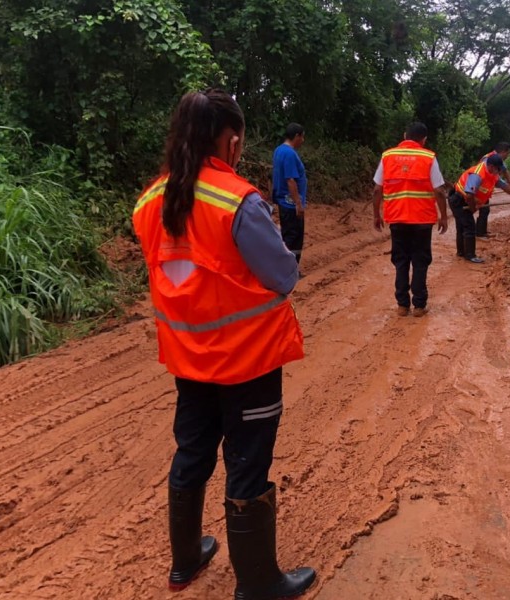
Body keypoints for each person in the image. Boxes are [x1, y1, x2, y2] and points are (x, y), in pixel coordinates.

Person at [132, 90, 316, 600]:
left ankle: (185, 562)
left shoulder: (149, 201)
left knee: (192, 451)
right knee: (248, 461)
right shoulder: (237, 200)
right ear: (231, 140)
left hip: (188, 359)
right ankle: (257, 584)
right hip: (247, 360)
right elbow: (283, 274)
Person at [373, 122, 448, 317]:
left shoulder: (388, 156)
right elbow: (439, 191)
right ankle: (420, 306)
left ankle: (402, 305)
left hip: (397, 219)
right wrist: (443, 216)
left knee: (401, 260)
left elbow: (377, 189)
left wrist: (376, 214)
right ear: (424, 139)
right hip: (422, 220)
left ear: (405, 135)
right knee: (420, 261)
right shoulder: (428, 157)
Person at [449, 153, 510, 263]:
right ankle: (470, 255)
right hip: (459, 200)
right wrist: (473, 208)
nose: (499, 172)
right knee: (469, 227)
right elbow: (469, 195)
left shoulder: (493, 174)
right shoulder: (477, 174)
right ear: (491, 167)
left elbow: (504, 186)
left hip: (466, 199)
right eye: (498, 169)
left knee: (462, 227)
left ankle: (461, 252)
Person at [272, 123, 307, 268]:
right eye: (302, 137)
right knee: (294, 237)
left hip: (283, 202)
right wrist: (298, 204)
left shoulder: (278, 151)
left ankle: (286, 269)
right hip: (290, 204)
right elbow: (290, 180)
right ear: (297, 136)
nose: (303, 141)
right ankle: (289, 271)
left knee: (288, 236)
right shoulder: (290, 154)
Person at [476, 141, 510, 239]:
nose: (508, 156)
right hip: (478, 189)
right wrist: (508, 187)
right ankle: (479, 233)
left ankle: (481, 231)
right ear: (503, 152)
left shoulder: (497, 158)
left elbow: (505, 171)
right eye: (508, 153)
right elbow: (497, 179)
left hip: (485, 189)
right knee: (483, 209)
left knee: (485, 210)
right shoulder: (489, 159)